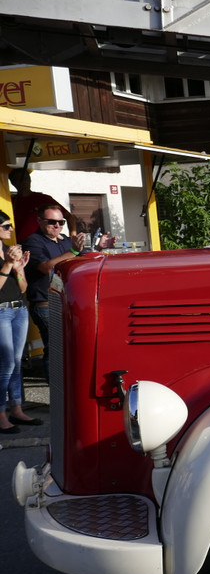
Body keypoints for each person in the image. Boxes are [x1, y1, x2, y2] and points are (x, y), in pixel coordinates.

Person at [22, 205, 116, 379]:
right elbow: (46, 267)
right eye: (52, 222)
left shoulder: (65, 240)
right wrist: (73, 251)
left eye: (61, 222)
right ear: (39, 221)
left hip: (67, 302)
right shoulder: (33, 242)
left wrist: (99, 248)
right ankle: (56, 389)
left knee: (71, 346)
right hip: (45, 303)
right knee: (56, 347)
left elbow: (82, 259)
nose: (57, 226)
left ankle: (67, 386)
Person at [0, 212, 38, 433]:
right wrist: (7, 265)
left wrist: (20, 269)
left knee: (16, 362)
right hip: (1, 312)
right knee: (6, 364)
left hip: (19, 309)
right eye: (6, 226)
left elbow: (23, 288)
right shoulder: (7, 256)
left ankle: (16, 409)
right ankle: (1, 415)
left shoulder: (9, 251)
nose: (11, 230)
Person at [7, 168, 75, 240]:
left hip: (41, 243)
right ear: (13, 182)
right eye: (19, 179)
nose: (24, 181)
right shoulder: (10, 201)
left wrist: (72, 237)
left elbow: (69, 216)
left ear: (30, 180)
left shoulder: (43, 199)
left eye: (26, 178)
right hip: (18, 243)